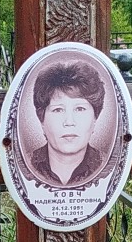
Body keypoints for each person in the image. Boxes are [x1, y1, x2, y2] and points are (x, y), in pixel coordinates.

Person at [24, 55, 109, 188]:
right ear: (42, 120)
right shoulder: (25, 163)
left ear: (95, 118)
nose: (69, 122)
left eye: (80, 109)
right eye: (58, 110)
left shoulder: (108, 164)